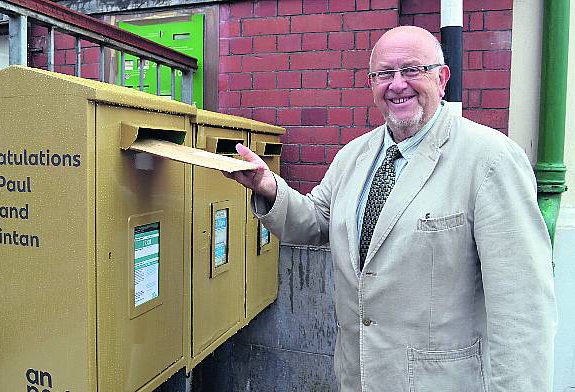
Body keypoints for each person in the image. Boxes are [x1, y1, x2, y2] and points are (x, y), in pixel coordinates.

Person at [225, 26, 556, 391]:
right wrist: (269, 188)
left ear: (442, 78)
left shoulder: (490, 159)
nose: (397, 84)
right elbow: (318, 221)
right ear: (372, 84)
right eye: (384, 74)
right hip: (358, 378)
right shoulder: (354, 155)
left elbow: (523, 311)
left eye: (412, 70)